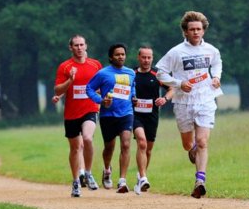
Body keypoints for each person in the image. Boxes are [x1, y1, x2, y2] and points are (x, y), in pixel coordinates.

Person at [156, 11, 223, 199]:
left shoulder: (211, 50)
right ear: (185, 32)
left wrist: (216, 77)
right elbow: (160, 72)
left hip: (206, 99)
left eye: (199, 29)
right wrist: (178, 84)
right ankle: (192, 150)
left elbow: (217, 64)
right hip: (183, 102)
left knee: (203, 141)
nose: (195, 32)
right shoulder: (176, 52)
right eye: (192, 29)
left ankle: (200, 180)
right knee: (188, 145)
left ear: (203, 31)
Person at [54, 35, 102, 197]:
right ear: (71, 48)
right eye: (76, 45)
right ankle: (76, 181)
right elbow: (58, 90)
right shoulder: (65, 67)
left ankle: (88, 173)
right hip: (71, 113)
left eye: (82, 45)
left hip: (90, 109)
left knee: (88, 139)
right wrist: (70, 80)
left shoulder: (95, 65)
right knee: (75, 148)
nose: (79, 48)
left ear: (86, 46)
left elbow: (101, 85)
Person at [86, 43, 136, 193]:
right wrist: (100, 100)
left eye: (123, 54)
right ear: (110, 57)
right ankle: (107, 170)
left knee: (126, 144)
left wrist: (133, 96)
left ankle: (122, 181)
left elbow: (132, 87)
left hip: (126, 113)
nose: (121, 57)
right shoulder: (103, 73)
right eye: (117, 54)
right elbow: (89, 88)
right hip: (108, 115)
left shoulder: (131, 73)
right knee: (109, 147)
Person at [132, 46, 174, 195]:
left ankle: (141, 176)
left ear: (152, 58)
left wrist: (164, 99)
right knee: (141, 142)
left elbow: (172, 88)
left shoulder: (157, 75)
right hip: (135, 115)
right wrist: (131, 99)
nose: (146, 60)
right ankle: (143, 177)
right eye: (143, 57)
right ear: (138, 58)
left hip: (152, 115)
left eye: (149, 57)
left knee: (148, 149)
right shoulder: (132, 74)